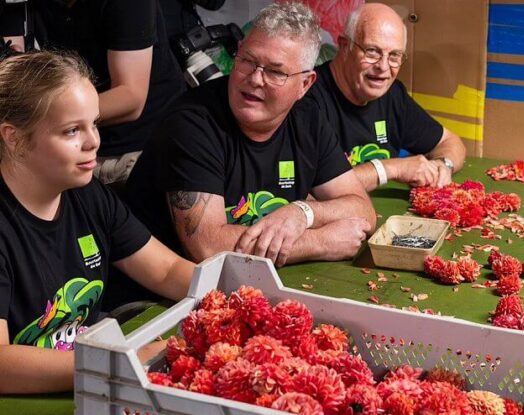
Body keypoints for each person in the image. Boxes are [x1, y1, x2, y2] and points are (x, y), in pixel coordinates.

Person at [124, 2, 374, 271]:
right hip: (158, 301)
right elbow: (207, 247)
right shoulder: (192, 123)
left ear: (305, 84)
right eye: (247, 61)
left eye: (275, 71)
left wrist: (303, 212)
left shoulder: (308, 119)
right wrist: (320, 242)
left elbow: (363, 210)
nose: (255, 79)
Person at [0, 51, 193, 394]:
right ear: (13, 137)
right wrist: (118, 360)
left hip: (89, 381)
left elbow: (166, 271)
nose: (93, 142)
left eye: (95, 124)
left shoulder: (87, 194)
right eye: (72, 130)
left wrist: (243, 300)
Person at [1, 0, 188, 187]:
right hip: (67, 143)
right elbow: (14, 69)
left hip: (137, 150)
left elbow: (130, 98)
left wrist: (45, 120)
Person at [305, 3, 466, 193]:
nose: (383, 66)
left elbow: (450, 142)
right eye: (372, 51)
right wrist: (392, 168)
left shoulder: (392, 95)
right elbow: (310, 190)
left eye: (394, 56)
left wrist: (443, 165)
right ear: (344, 46)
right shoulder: (307, 99)